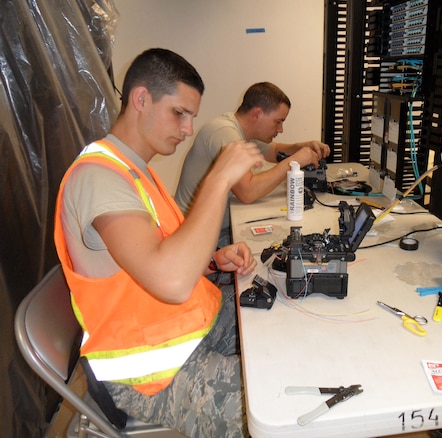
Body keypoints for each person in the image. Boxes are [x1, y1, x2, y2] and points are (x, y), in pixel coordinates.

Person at [54, 48, 264, 437]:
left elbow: (162, 254)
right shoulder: (98, 177)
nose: (187, 129)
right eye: (179, 113)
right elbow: (170, 281)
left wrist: (215, 259)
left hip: (182, 327)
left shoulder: (134, 170)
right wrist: (218, 179)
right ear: (141, 99)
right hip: (149, 369)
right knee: (274, 410)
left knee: (278, 327)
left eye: (192, 117)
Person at [174, 81, 331, 246]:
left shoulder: (240, 131)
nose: (280, 129)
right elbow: (247, 192)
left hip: (211, 228)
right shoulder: (224, 132)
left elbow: (274, 150)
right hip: (195, 238)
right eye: (278, 121)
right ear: (257, 114)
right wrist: (294, 161)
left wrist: (302, 147)